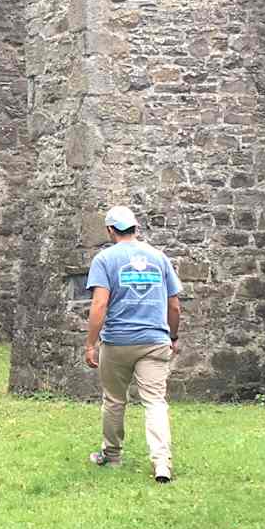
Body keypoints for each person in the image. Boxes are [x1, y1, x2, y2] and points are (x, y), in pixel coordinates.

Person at [82, 205, 182, 483]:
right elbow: (174, 306)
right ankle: (162, 463)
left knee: (114, 399)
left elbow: (100, 303)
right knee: (155, 403)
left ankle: (112, 455)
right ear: (137, 228)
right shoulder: (159, 258)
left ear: (110, 230)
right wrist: (172, 336)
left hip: (117, 342)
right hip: (154, 341)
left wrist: (91, 344)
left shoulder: (105, 260)